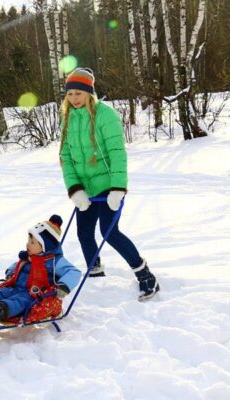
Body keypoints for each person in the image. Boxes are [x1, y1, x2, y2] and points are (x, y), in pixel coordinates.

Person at [59, 67, 160, 301]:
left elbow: (117, 153)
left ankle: (146, 276)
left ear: (89, 93)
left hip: (108, 185)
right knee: (84, 232)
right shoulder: (67, 117)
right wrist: (75, 190)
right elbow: (65, 156)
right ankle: (95, 275)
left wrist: (117, 188)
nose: (74, 99)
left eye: (79, 94)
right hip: (85, 188)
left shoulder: (105, 115)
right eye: (70, 94)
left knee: (108, 231)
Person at [0, 215, 81, 325]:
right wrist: (11, 272)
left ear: (45, 247)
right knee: (4, 292)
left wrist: (63, 285)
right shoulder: (29, 257)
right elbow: (17, 265)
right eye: (29, 240)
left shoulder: (55, 261)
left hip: (32, 294)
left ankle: (2, 310)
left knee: (20, 301)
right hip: (16, 287)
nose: (27, 244)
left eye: (32, 242)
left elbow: (74, 272)